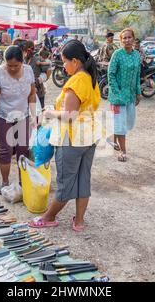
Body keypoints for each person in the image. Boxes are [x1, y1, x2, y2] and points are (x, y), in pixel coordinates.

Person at [28, 40, 101, 232]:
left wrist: (49, 113)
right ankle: (79, 221)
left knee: (65, 182)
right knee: (83, 179)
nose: (64, 66)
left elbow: (69, 116)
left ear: (75, 61)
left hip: (71, 139)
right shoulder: (90, 78)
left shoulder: (76, 82)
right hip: (89, 137)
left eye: (65, 62)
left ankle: (48, 217)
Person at [0, 45, 37, 194]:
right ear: (5, 62)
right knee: (6, 150)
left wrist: (34, 116)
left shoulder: (28, 71)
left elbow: (32, 95)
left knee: (23, 150)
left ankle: (23, 182)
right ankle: (5, 182)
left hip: (23, 115)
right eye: (9, 65)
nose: (13, 68)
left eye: (16, 65)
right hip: (4, 117)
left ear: (22, 62)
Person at [107, 28, 142, 162]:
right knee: (121, 124)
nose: (127, 40)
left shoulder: (136, 55)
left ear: (133, 39)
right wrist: (117, 92)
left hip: (131, 95)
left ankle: (112, 138)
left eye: (129, 37)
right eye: (124, 38)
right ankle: (122, 151)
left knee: (129, 122)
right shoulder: (117, 54)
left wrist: (138, 93)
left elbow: (138, 75)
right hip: (118, 97)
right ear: (121, 41)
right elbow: (111, 74)